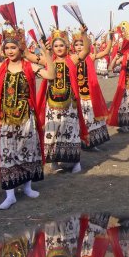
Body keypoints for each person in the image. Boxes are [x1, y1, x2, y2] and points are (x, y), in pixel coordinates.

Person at [0, 10, 53, 210]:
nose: (9, 51)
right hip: (6, 117)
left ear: (20, 48)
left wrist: (45, 52)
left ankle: (28, 187)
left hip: (26, 117)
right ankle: (10, 194)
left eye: (13, 47)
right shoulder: (0, 67)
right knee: (7, 153)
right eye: (7, 48)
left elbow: (50, 74)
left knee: (28, 150)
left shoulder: (29, 67)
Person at [31, 22, 90, 173]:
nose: (58, 48)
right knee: (52, 132)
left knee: (71, 131)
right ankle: (54, 162)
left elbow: (86, 50)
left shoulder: (73, 60)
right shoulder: (48, 61)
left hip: (69, 103)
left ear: (67, 47)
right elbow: (26, 54)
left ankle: (75, 162)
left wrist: (83, 34)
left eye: (61, 45)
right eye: (56, 46)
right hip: (52, 105)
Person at [73, 29, 112, 150]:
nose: (79, 47)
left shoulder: (91, 56)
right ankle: (80, 142)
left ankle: (91, 142)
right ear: (73, 46)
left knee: (91, 119)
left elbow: (106, 51)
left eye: (81, 44)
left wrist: (110, 37)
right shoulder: (71, 59)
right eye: (76, 45)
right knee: (80, 120)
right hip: (77, 96)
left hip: (90, 96)